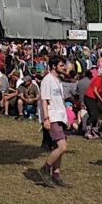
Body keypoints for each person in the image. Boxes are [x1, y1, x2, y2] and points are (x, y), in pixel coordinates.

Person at [39, 55, 70, 187]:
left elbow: (60, 101)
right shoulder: (47, 80)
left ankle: (56, 174)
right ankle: (45, 168)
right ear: (54, 66)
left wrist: (66, 117)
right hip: (52, 117)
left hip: (60, 116)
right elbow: (44, 100)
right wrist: (46, 118)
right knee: (62, 146)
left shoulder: (58, 80)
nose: (64, 68)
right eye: (61, 65)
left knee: (60, 148)